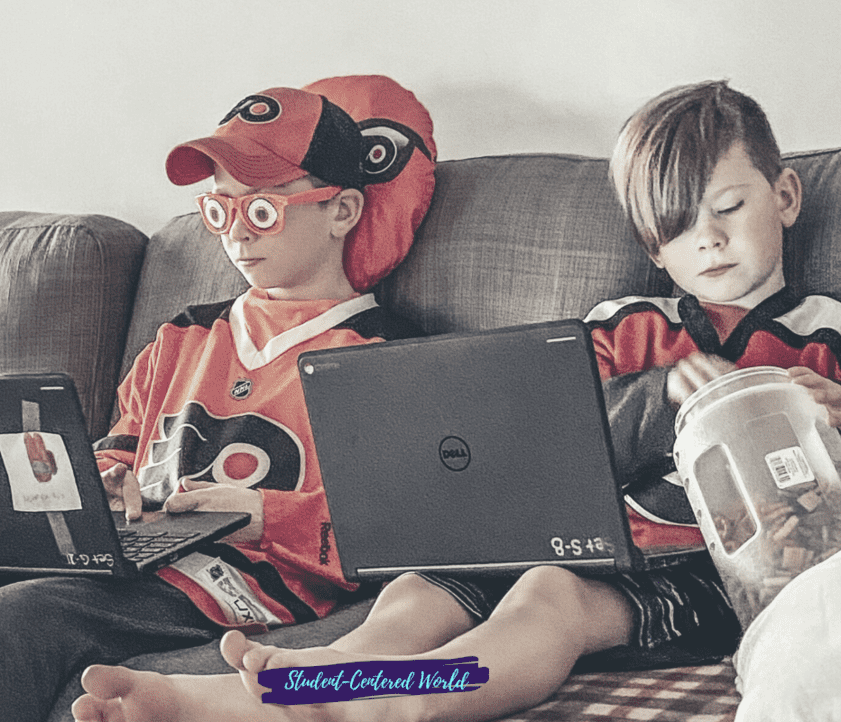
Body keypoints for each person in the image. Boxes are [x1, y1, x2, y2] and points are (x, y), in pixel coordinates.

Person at [71, 80, 841, 722]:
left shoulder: (826, 335)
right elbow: (550, 433)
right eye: (676, 226)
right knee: (417, 593)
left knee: (550, 598)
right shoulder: (626, 327)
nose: (705, 240)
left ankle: (387, 705)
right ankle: (300, 687)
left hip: (699, 570)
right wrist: (655, 398)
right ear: (651, 248)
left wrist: (827, 410)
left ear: (784, 195)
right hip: (572, 536)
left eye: (728, 209)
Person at [0, 75, 435, 722]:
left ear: (344, 211)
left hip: (247, 579)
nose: (236, 235)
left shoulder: (389, 356)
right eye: (219, 210)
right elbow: (121, 448)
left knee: (21, 614)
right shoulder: (183, 336)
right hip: (138, 554)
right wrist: (102, 489)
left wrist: (257, 515)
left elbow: (403, 534)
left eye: (263, 209)